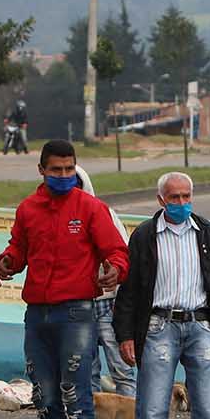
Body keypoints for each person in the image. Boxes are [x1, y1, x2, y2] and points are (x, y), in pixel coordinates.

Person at [0, 139, 129, 419]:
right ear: (42, 170)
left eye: (70, 169)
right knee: (44, 396)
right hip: (37, 315)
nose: (64, 175)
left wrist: (116, 269)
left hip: (76, 314)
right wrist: (7, 262)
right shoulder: (28, 209)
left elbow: (117, 251)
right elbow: (18, 249)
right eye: (57, 169)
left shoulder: (91, 208)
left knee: (77, 396)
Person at [114, 171, 210, 419]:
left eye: (186, 196)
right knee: (152, 406)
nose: (181, 203)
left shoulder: (206, 232)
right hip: (158, 326)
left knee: (207, 407)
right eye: (174, 197)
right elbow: (130, 289)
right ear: (161, 199)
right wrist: (125, 334)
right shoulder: (144, 235)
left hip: (200, 325)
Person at [76, 166, 134, 400]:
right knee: (87, 371)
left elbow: (122, 253)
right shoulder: (56, 218)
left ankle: (130, 417)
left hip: (108, 303)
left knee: (122, 369)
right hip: (77, 304)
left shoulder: (103, 213)